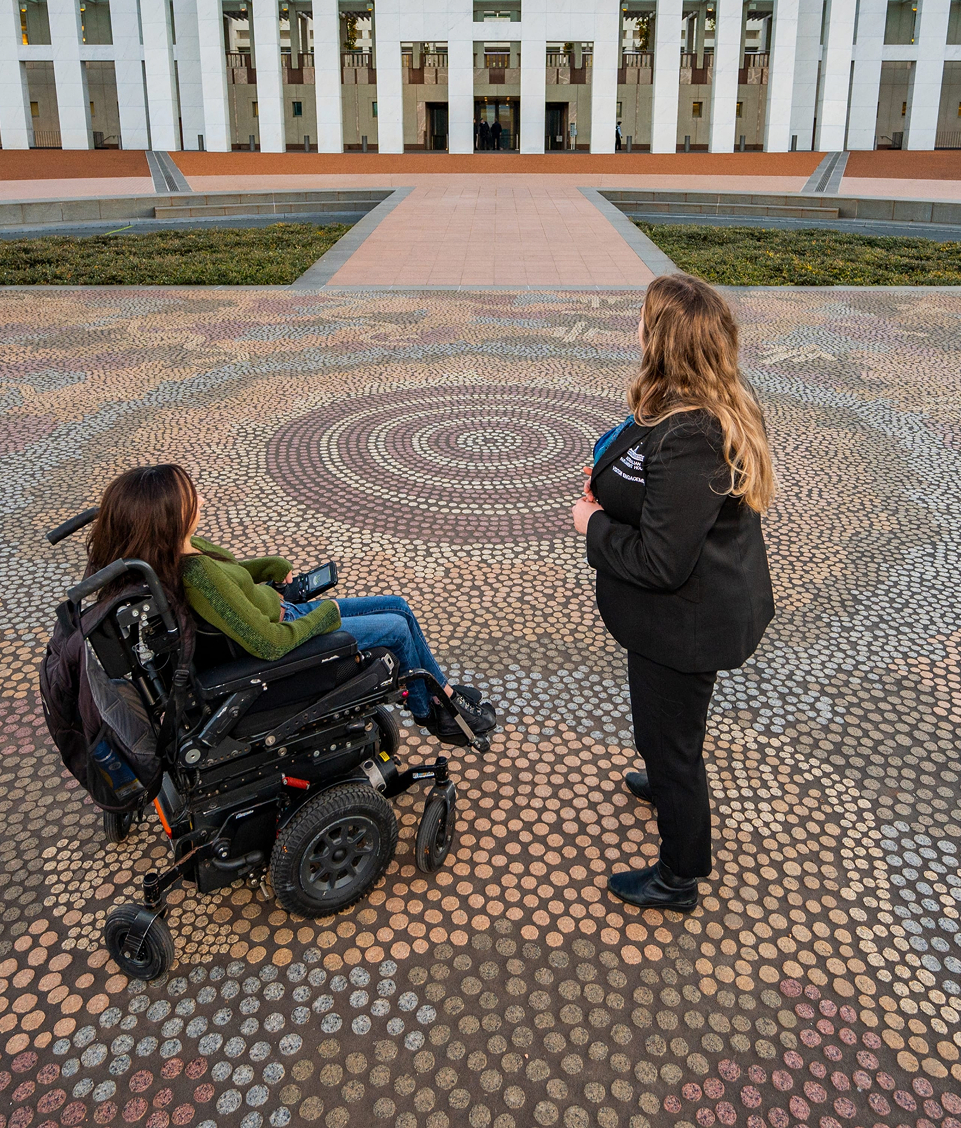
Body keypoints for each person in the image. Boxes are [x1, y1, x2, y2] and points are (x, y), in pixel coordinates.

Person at [572, 274, 775, 911]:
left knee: (673, 745)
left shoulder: (693, 433)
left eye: (644, 318)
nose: (635, 325)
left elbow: (662, 561)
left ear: (664, 340)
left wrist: (593, 524)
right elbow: (657, 490)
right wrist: (609, 485)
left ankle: (678, 873)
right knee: (666, 729)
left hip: (685, 621)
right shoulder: (682, 401)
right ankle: (662, 779)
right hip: (676, 615)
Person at [85, 464, 496, 746]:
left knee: (398, 605)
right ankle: (435, 713)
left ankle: (440, 694)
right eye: (189, 494)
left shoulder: (182, 551)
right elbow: (269, 643)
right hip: (288, 637)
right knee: (396, 627)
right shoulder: (197, 576)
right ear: (172, 516)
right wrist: (325, 616)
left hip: (284, 611)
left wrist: (271, 567)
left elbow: (234, 574)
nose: (198, 496)